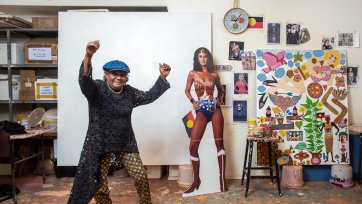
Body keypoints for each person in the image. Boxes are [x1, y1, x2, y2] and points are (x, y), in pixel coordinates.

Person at [67, 40, 171, 204]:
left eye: (122, 75)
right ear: (106, 75)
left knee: (140, 176)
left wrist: (162, 77)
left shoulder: (129, 93)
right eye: (114, 74)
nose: (118, 78)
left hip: (125, 142)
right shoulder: (97, 89)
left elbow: (149, 96)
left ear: (126, 78)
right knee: (99, 184)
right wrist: (89, 55)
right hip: (100, 144)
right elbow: (85, 80)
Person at [184, 47, 226, 193]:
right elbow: (187, 90)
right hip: (201, 109)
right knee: (192, 146)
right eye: (200, 56)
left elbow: (221, 90)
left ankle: (222, 180)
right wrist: (192, 101)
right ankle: (196, 180)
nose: (202, 58)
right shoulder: (192, 73)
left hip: (215, 109)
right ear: (197, 58)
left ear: (208, 58)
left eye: (205, 56)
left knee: (219, 143)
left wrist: (219, 99)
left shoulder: (214, 75)